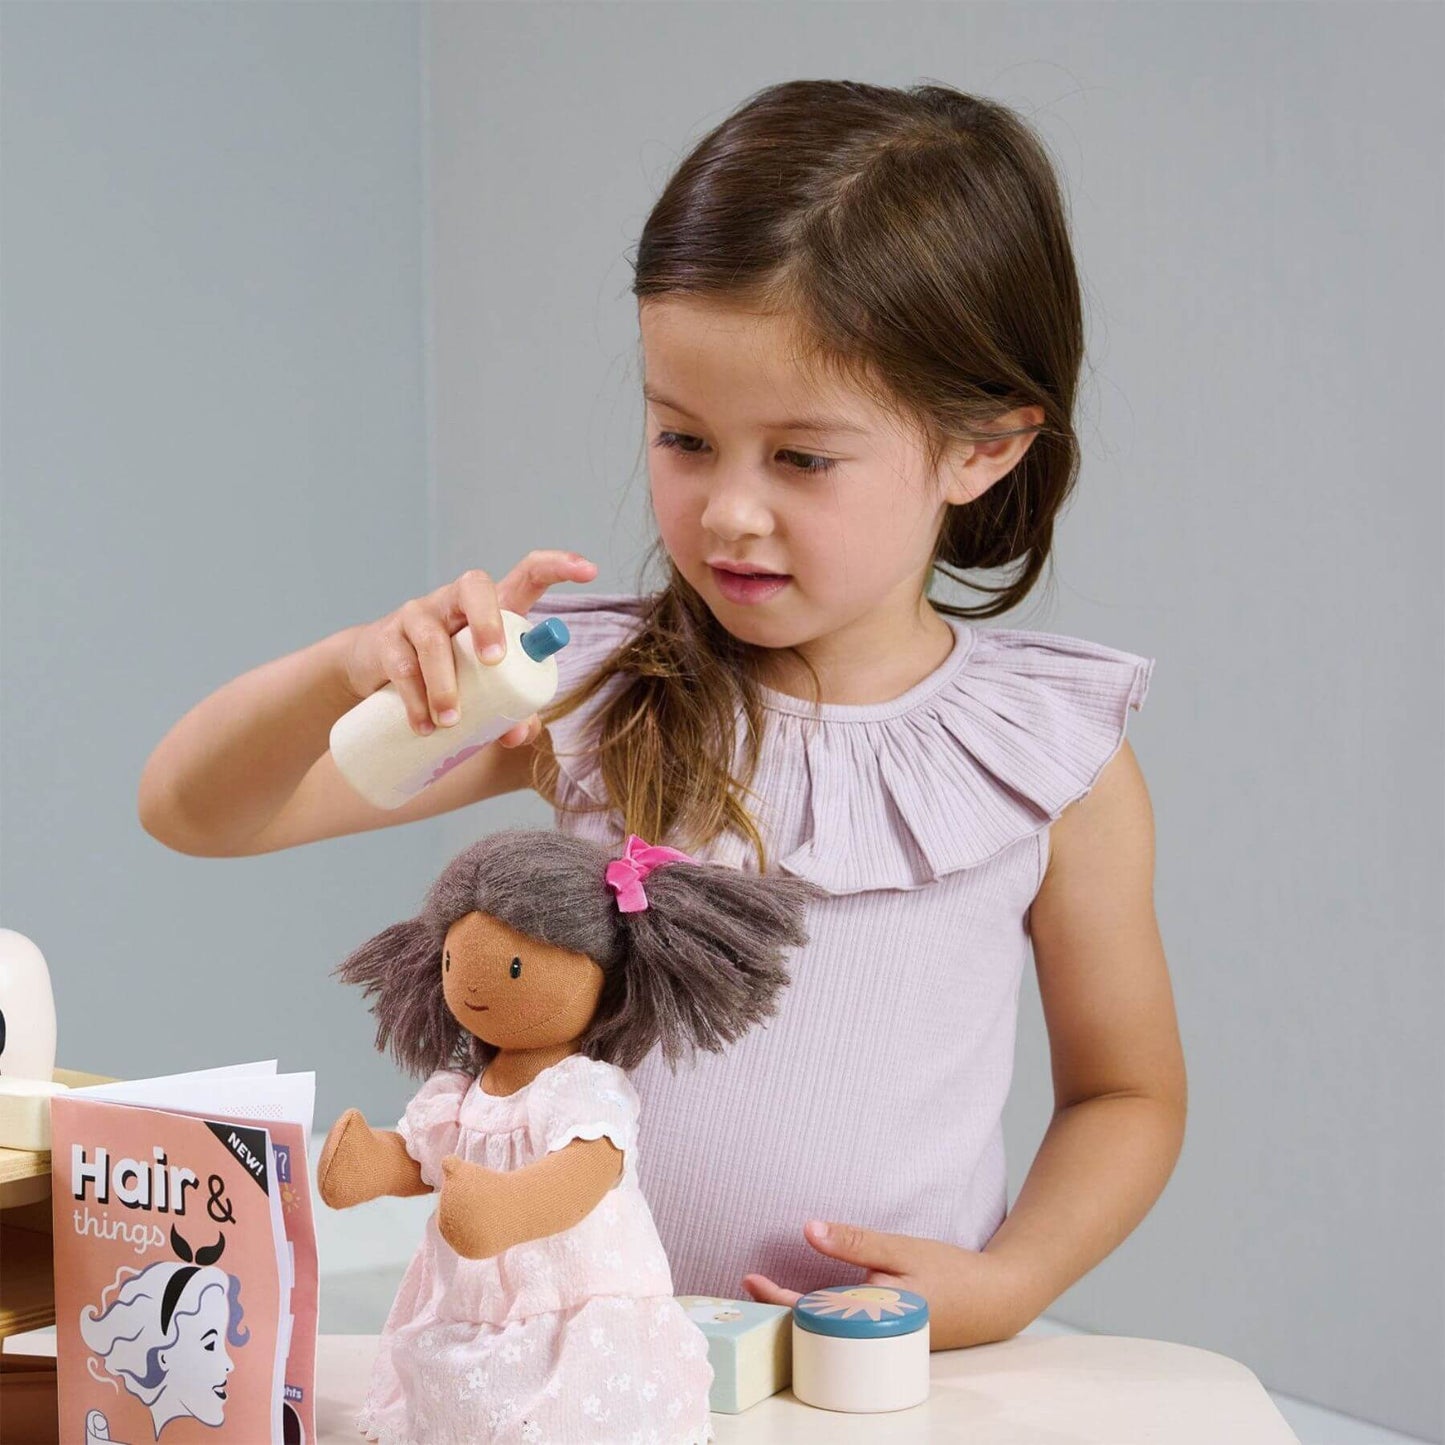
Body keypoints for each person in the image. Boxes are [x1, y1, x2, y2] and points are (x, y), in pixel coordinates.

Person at [139, 79, 1187, 1350]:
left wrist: (1012, 1278)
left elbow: (1125, 1092)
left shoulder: (1045, 761)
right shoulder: (589, 689)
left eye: (801, 457)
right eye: (684, 437)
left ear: (983, 447)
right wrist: (346, 669)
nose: (728, 510)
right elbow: (198, 813)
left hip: (863, 1375)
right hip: (563, 1363)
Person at [316, 828, 820, 1444]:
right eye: (454, 962)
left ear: (595, 976)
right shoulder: (465, 1090)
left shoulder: (578, 1088)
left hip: (566, 1292)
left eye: (515, 968)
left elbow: (584, 1173)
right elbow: (428, 1159)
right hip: (469, 1293)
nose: (470, 986)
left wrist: (509, 1207)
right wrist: (376, 1164)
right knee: (463, 1401)